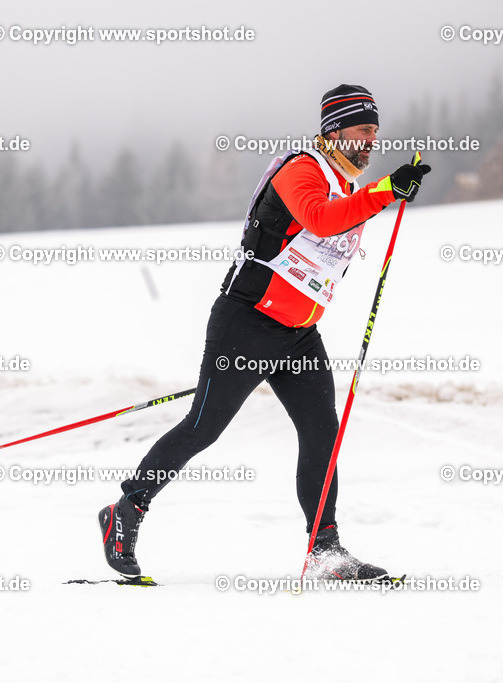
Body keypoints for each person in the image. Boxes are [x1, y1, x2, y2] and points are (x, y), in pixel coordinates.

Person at [98, 84, 431, 580]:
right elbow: (318, 221)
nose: (370, 142)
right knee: (203, 428)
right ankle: (125, 510)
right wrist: (384, 191)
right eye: (363, 130)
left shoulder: (343, 185)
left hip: (299, 334)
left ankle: (325, 552)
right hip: (246, 323)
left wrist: (383, 194)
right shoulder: (301, 170)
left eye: (375, 133)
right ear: (334, 130)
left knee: (323, 433)